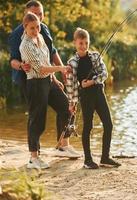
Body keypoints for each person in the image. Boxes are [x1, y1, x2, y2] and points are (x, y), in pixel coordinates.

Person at [8, 0, 80, 159]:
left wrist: (59, 74)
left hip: (48, 76)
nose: (38, 17)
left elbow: (50, 53)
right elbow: (12, 60)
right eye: (35, 13)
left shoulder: (42, 29)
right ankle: (34, 155)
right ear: (26, 15)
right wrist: (21, 66)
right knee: (37, 116)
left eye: (40, 14)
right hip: (30, 81)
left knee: (66, 107)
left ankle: (63, 146)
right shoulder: (17, 36)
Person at [19, 12, 74, 169]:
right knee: (37, 121)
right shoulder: (26, 46)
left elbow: (46, 60)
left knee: (66, 108)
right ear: (25, 28)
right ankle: (33, 158)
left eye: (37, 27)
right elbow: (41, 69)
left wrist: (55, 78)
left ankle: (63, 145)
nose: (36, 31)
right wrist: (62, 68)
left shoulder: (40, 37)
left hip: (49, 81)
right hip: (36, 84)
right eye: (32, 28)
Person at [66, 28, 121, 169]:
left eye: (86, 43)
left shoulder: (96, 56)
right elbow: (71, 85)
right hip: (86, 98)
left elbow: (104, 74)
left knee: (108, 124)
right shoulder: (72, 62)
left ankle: (105, 157)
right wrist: (72, 102)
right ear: (75, 43)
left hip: (98, 94)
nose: (83, 46)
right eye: (80, 43)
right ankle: (88, 160)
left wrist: (91, 81)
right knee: (88, 127)